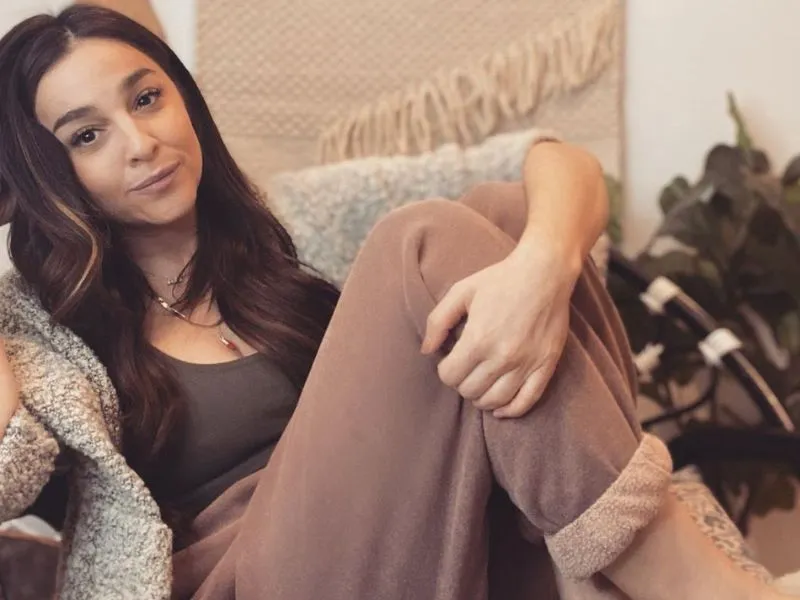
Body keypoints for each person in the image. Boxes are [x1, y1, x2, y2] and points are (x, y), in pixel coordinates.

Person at [0, 5, 790, 600]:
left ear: (184, 99)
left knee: (504, 216)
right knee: (423, 239)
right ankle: (693, 586)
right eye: (86, 136)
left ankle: (613, 570)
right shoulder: (44, 323)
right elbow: (6, 475)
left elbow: (553, 164)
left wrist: (543, 266)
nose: (140, 143)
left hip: (420, 542)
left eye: (145, 99)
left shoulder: (293, 221)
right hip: (254, 579)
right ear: (44, 176)